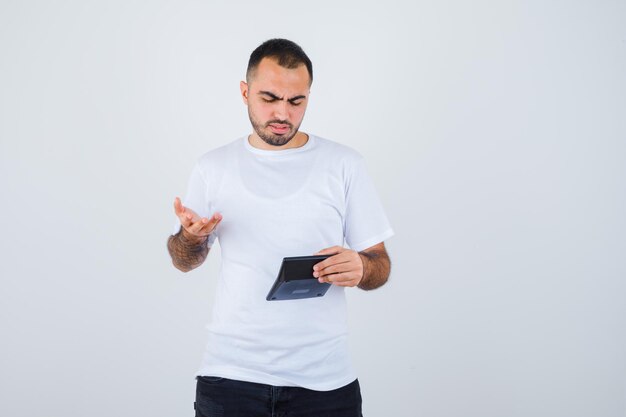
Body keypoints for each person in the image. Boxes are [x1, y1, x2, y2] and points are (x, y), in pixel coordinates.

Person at [167, 38, 394, 417]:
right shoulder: (213, 167)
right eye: (269, 98)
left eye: (296, 101)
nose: (282, 114)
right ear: (245, 92)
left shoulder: (344, 164)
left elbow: (379, 265)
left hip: (325, 383)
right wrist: (191, 239)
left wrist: (361, 267)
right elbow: (183, 261)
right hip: (230, 378)